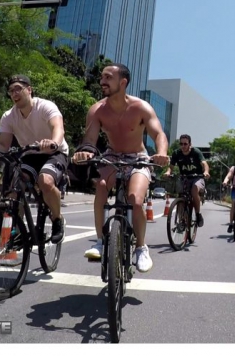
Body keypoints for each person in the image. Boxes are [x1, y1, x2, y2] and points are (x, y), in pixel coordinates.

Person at [72, 63, 169, 273]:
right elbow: (90, 140)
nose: (102, 81)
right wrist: (85, 152)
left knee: (135, 199)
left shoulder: (141, 107)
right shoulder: (97, 110)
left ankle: (141, 248)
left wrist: (161, 152)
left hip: (137, 157)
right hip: (112, 155)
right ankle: (100, 241)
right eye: (102, 77)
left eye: (108, 77)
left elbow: (158, 134)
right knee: (101, 186)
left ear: (123, 82)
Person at [0, 75, 68, 245]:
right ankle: (18, 230)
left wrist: (53, 142)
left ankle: (57, 219)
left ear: (29, 90)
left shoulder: (45, 106)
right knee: (15, 188)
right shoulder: (8, 116)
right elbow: (4, 144)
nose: (14, 93)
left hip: (55, 152)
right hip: (30, 154)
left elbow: (58, 128)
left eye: (18, 89)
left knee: (46, 181)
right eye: (11, 91)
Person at [163, 134, 210, 227]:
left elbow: (205, 164)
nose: (183, 146)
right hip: (184, 177)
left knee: (194, 189)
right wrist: (168, 172)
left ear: (190, 144)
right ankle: (182, 220)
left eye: (185, 144)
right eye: (181, 144)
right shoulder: (176, 153)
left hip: (197, 177)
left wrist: (206, 172)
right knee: (180, 195)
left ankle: (198, 214)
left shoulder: (196, 152)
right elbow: (171, 167)